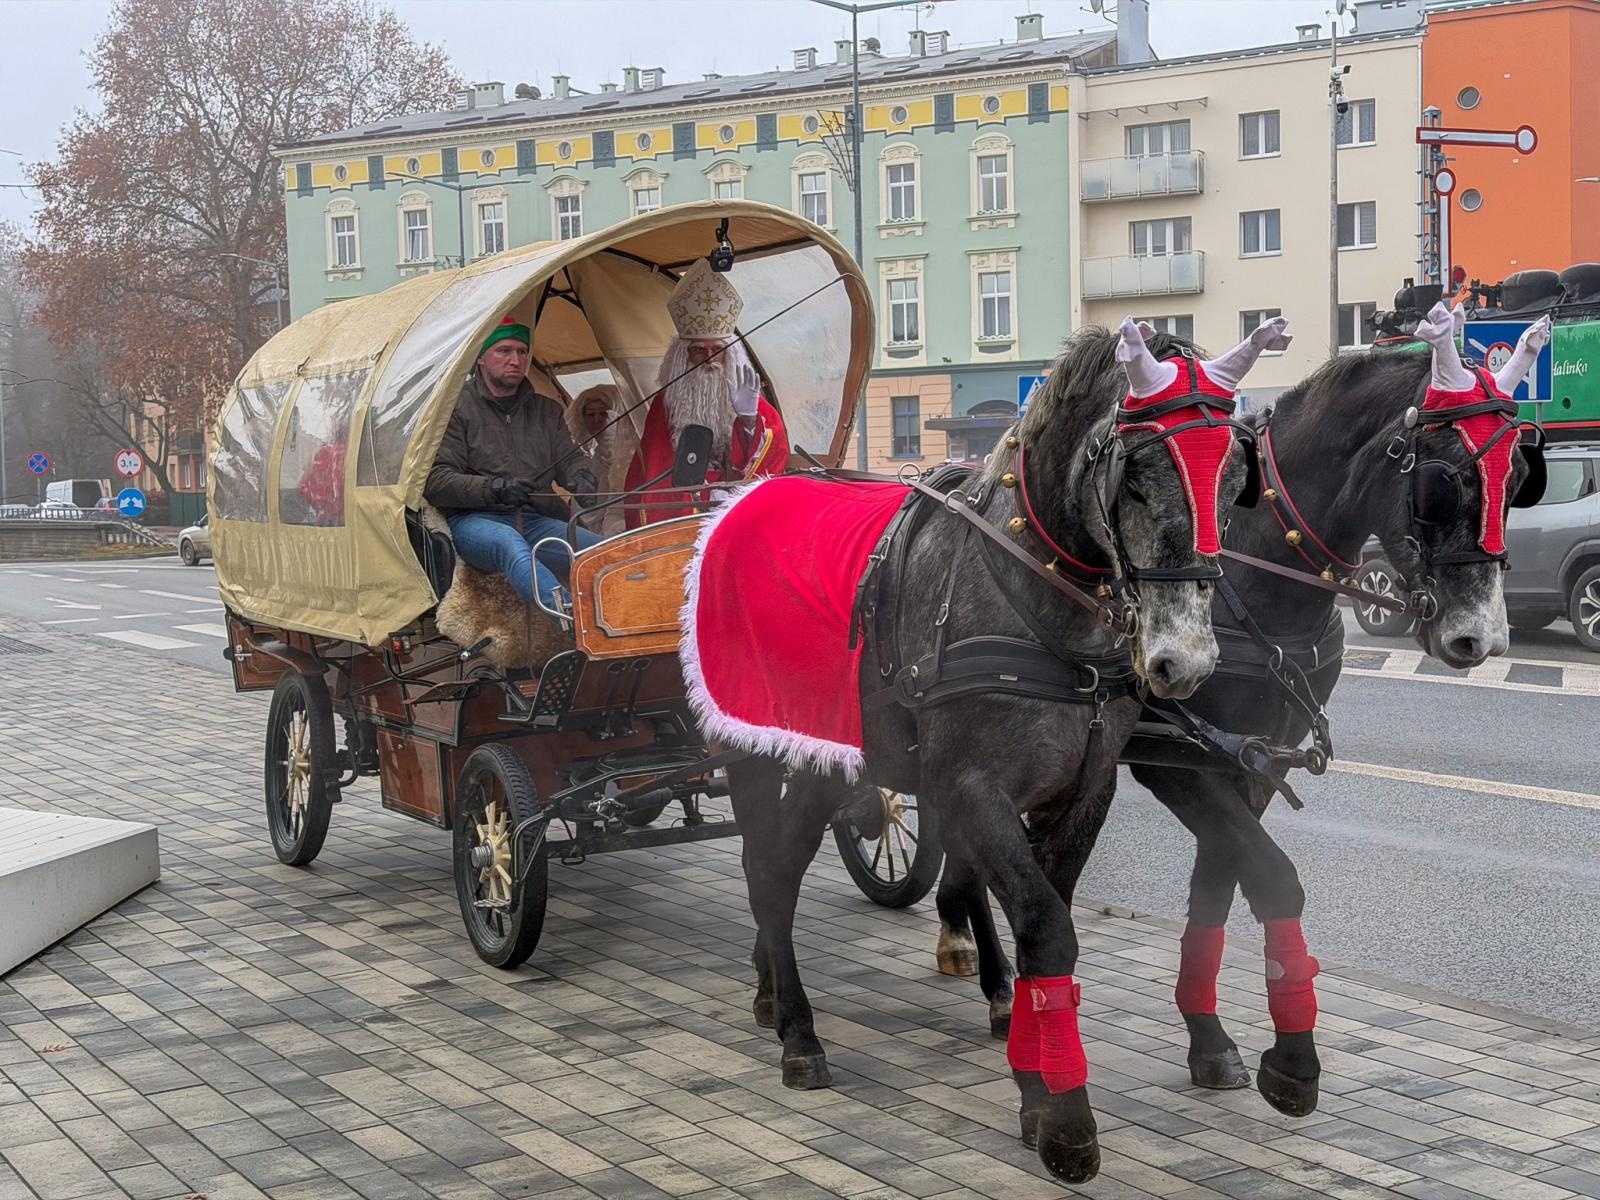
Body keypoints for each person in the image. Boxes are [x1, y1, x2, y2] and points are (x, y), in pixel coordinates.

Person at [425, 318, 598, 612]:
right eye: (503, 351)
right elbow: (437, 480)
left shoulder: (547, 410)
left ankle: (644, 621)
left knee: (608, 550)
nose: (515, 360)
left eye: (522, 352)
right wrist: (495, 489)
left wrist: (581, 476)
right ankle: (572, 620)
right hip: (476, 522)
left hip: (538, 520)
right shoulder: (455, 408)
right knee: (508, 543)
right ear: (480, 358)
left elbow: (570, 459)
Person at [623, 258, 789, 527]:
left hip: (734, 504)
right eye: (699, 350)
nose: (709, 359)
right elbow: (655, 472)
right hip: (683, 508)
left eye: (718, 350)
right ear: (683, 357)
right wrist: (697, 493)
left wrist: (748, 419)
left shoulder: (749, 400)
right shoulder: (666, 403)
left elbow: (773, 461)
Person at [565, 384, 623, 536]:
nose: (597, 420)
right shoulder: (591, 456)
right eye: (590, 415)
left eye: (603, 413)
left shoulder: (618, 450)